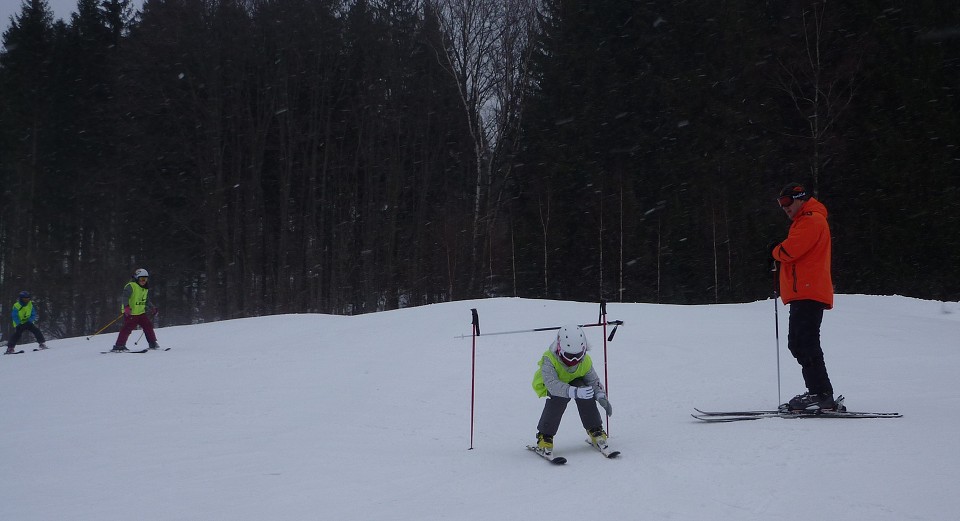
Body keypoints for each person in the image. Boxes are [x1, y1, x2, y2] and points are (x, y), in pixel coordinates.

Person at [771, 182, 836, 411]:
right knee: (798, 342)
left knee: (805, 342)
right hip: (804, 291)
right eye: (781, 204)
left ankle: (821, 393)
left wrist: (775, 250)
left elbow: (790, 250)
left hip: (809, 290)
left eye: (787, 202)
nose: (784, 208)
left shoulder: (811, 220)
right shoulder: (805, 220)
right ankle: (818, 391)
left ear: (800, 198)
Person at [531, 324, 613, 456]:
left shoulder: (585, 361)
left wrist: (600, 395)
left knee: (586, 391)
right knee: (559, 398)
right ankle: (545, 436)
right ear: (559, 348)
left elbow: (593, 380)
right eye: (569, 356)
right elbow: (552, 384)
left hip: (574, 382)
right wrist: (573, 391)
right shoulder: (549, 359)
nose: (574, 360)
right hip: (553, 385)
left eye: (578, 355)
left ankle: (595, 429)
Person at [110, 268, 160, 352]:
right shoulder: (131, 286)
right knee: (127, 328)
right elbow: (125, 297)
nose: (143, 281)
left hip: (141, 313)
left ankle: (153, 343)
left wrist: (152, 307)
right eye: (141, 279)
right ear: (137, 278)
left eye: (145, 279)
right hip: (131, 313)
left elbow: (146, 300)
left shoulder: (145, 288)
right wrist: (126, 306)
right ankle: (119, 345)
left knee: (148, 326)